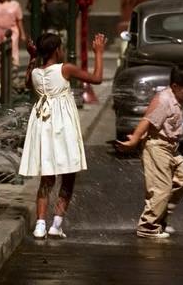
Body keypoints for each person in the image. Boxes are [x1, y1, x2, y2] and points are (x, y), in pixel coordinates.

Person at [19, 32, 106, 239]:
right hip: (62, 125)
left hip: (43, 125)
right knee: (68, 174)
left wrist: (32, 58)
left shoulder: (35, 72)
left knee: (46, 177)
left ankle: (40, 224)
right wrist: (99, 53)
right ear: (58, 50)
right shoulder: (65, 68)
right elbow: (97, 78)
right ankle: (56, 224)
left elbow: (27, 84)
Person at [116, 67, 183, 239]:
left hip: (171, 147)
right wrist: (135, 139)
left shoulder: (177, 98)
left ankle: (161, 216)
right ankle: (148, 226)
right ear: (174, 86)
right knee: (160, 189)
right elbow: (147, 120)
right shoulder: (164, 99)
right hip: (157, 146)